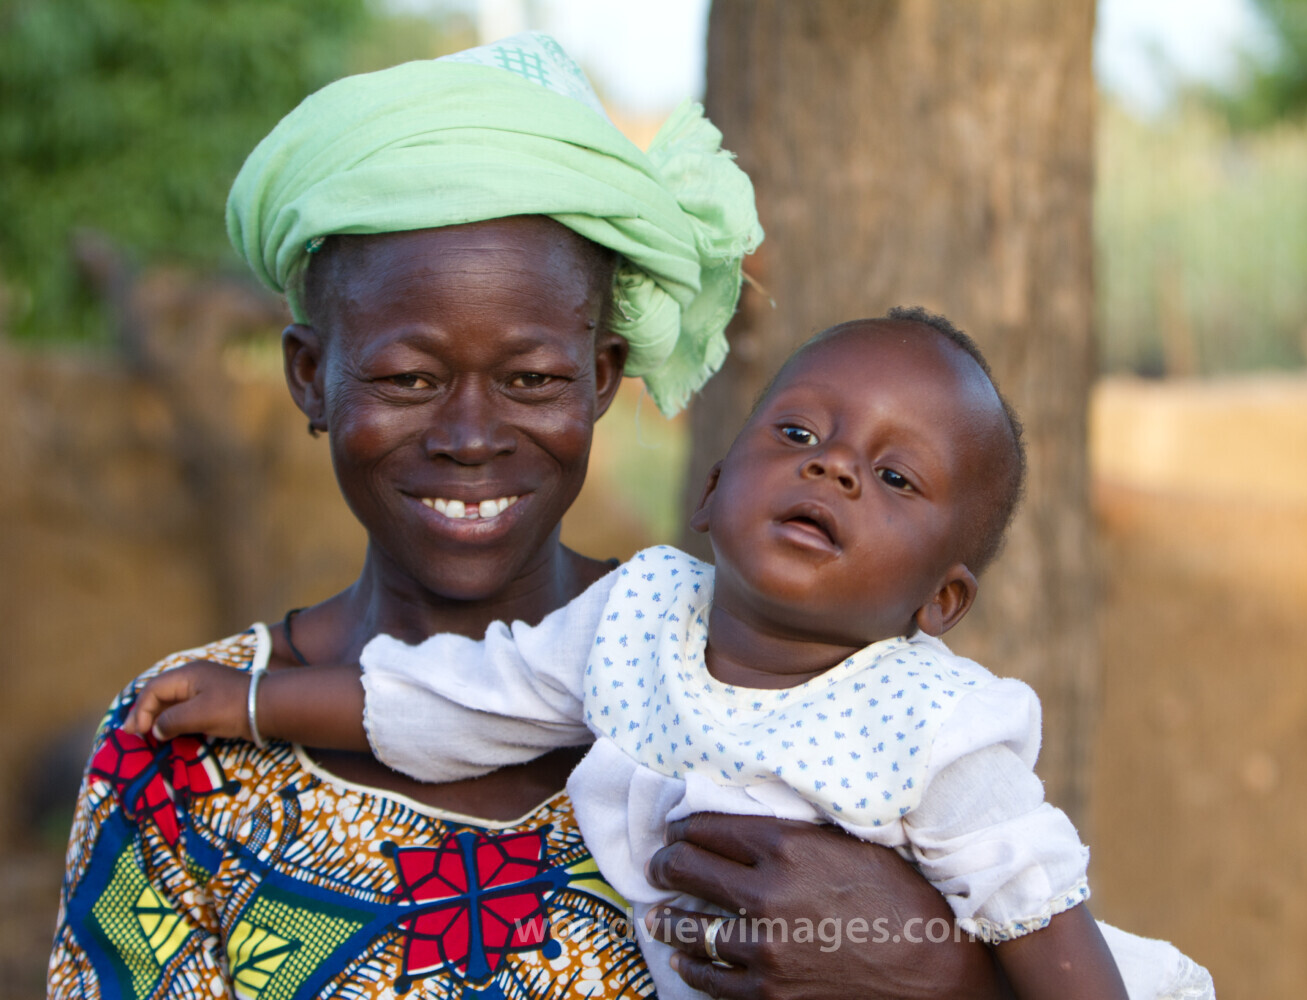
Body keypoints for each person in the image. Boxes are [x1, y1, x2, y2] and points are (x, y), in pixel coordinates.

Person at [49, 34, 1034, 1000]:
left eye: (532, 378)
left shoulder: (785, 679)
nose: (470, 434)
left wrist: (943, 974)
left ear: (602, 379)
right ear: (312, 376)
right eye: (407, 377)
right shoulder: (181, 754)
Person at [127, 313, 1215, 1000]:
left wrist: (913, 959)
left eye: (894, 478)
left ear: (943, 599)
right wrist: (260, 703)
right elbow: (455, 698)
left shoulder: (936, 728)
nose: (833, 468)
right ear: (708, 492)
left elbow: (1037, 915)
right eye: (798, 435)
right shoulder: (636, 618)